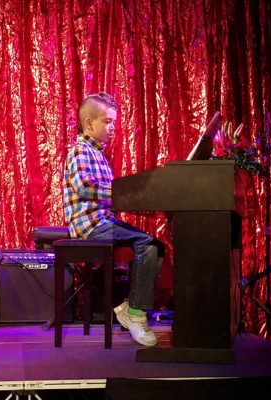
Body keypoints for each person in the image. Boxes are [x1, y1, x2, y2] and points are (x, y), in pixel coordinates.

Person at [63, 92, 164, 347]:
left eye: (114, 123)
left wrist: (142, 204)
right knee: (148, 244)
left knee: (156, 245)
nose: (112, 128)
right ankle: (136, 313)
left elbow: (110, 199)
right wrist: (128, 195)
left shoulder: (99, 155)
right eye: (107, 122)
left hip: (106, 223)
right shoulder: (79, 151)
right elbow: (86, 188)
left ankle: (131, 307)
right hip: (91, 228)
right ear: (88, 124)